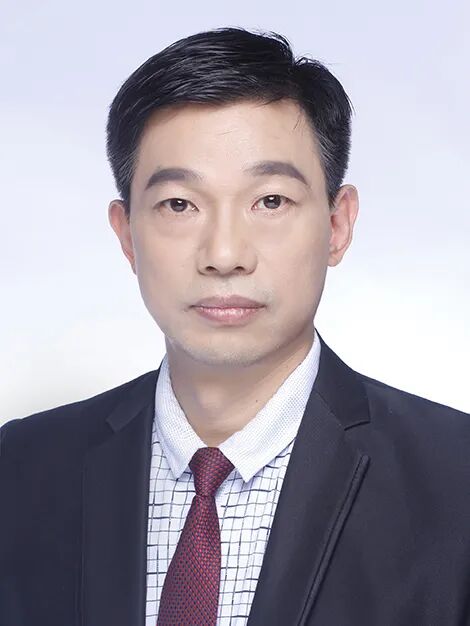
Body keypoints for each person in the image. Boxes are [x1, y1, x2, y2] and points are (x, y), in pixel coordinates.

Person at [0, 26, 469, 626]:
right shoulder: (22, 468)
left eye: (270, 201)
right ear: (127, 235)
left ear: (338, 225)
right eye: (179, 205)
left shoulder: (456, 477)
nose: (224, 255)